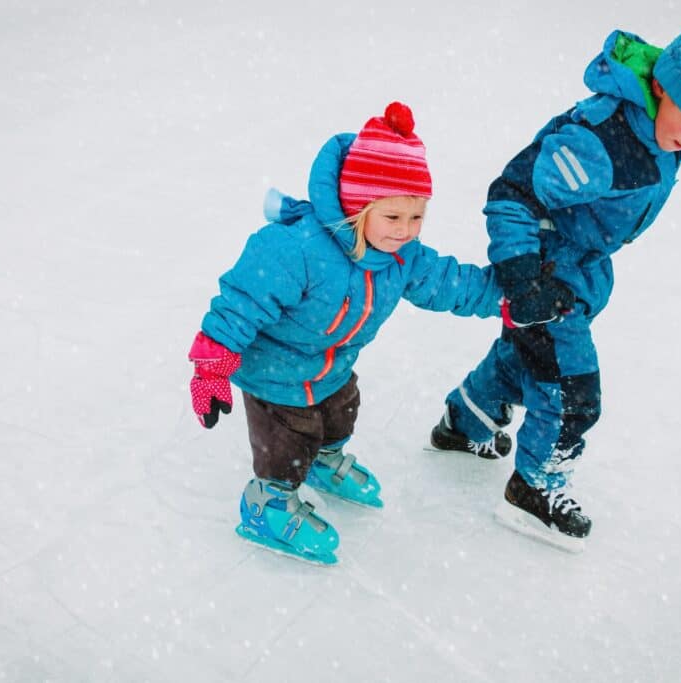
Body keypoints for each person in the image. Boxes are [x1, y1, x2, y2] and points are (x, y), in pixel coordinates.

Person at [428, 0, 681, 552]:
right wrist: (522, 276)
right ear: (664, 87)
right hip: (547, 272)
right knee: (571, 388)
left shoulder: (676, 125)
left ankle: (464, 420)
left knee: (529, 355)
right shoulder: (601, 143)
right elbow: (513, 193)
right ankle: (534, 488)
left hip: (580, 270)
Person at [188, 102, 508, 565]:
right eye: (393, 218)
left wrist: (506, 298)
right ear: (358, 210)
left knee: (341, 413)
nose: (406, 231)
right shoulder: (296, 249)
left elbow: (448, 283)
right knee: (289, 438)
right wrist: (212, 369)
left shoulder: (403, 257)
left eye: (416, 217)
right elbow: (240, 303)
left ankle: (321, 461)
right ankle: (267, 502)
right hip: (275, 372)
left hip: (332, 365)